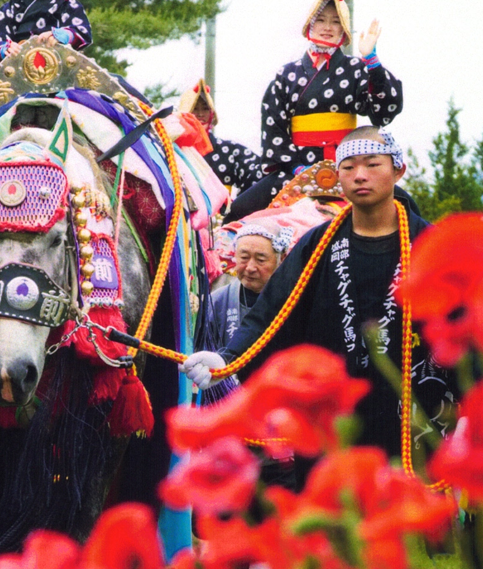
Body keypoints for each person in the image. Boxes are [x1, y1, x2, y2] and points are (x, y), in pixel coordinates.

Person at [184, 126, 457, 465]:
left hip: (413, 425)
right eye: (348, 167)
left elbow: (466, 331)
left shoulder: (432, 245)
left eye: (372, 165)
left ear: (398, 170)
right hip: (332, 421)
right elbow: (271, 313)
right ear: (336, 175)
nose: (360, 176)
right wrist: (228, 360)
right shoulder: (317, 246)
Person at [226, 0, 403, 220]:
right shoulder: (286, 74)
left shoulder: (355, 68)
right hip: (296, 168)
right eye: (321, 19)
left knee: (406, 208)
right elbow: (273, 127)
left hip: (347, 167)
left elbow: (383, 113)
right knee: (238, 211)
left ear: (344, 30)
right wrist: (299, 170)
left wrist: (371, 59)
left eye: (335, 21)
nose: (327, 27)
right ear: (310, 23)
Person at [207, 218, 290, 355]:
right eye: (244, 257)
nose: (250, 268)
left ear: (281, 258)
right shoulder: (217, 301)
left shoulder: (294, 299)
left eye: (260, 260)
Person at [182, 78, 263, 196]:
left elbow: (258, 174)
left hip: (223, 213)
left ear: (211, 113)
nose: (200, 114)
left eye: (205, 109)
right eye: (195, 109)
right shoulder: (172, 152)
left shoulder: (230, 150)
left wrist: (239, 207)